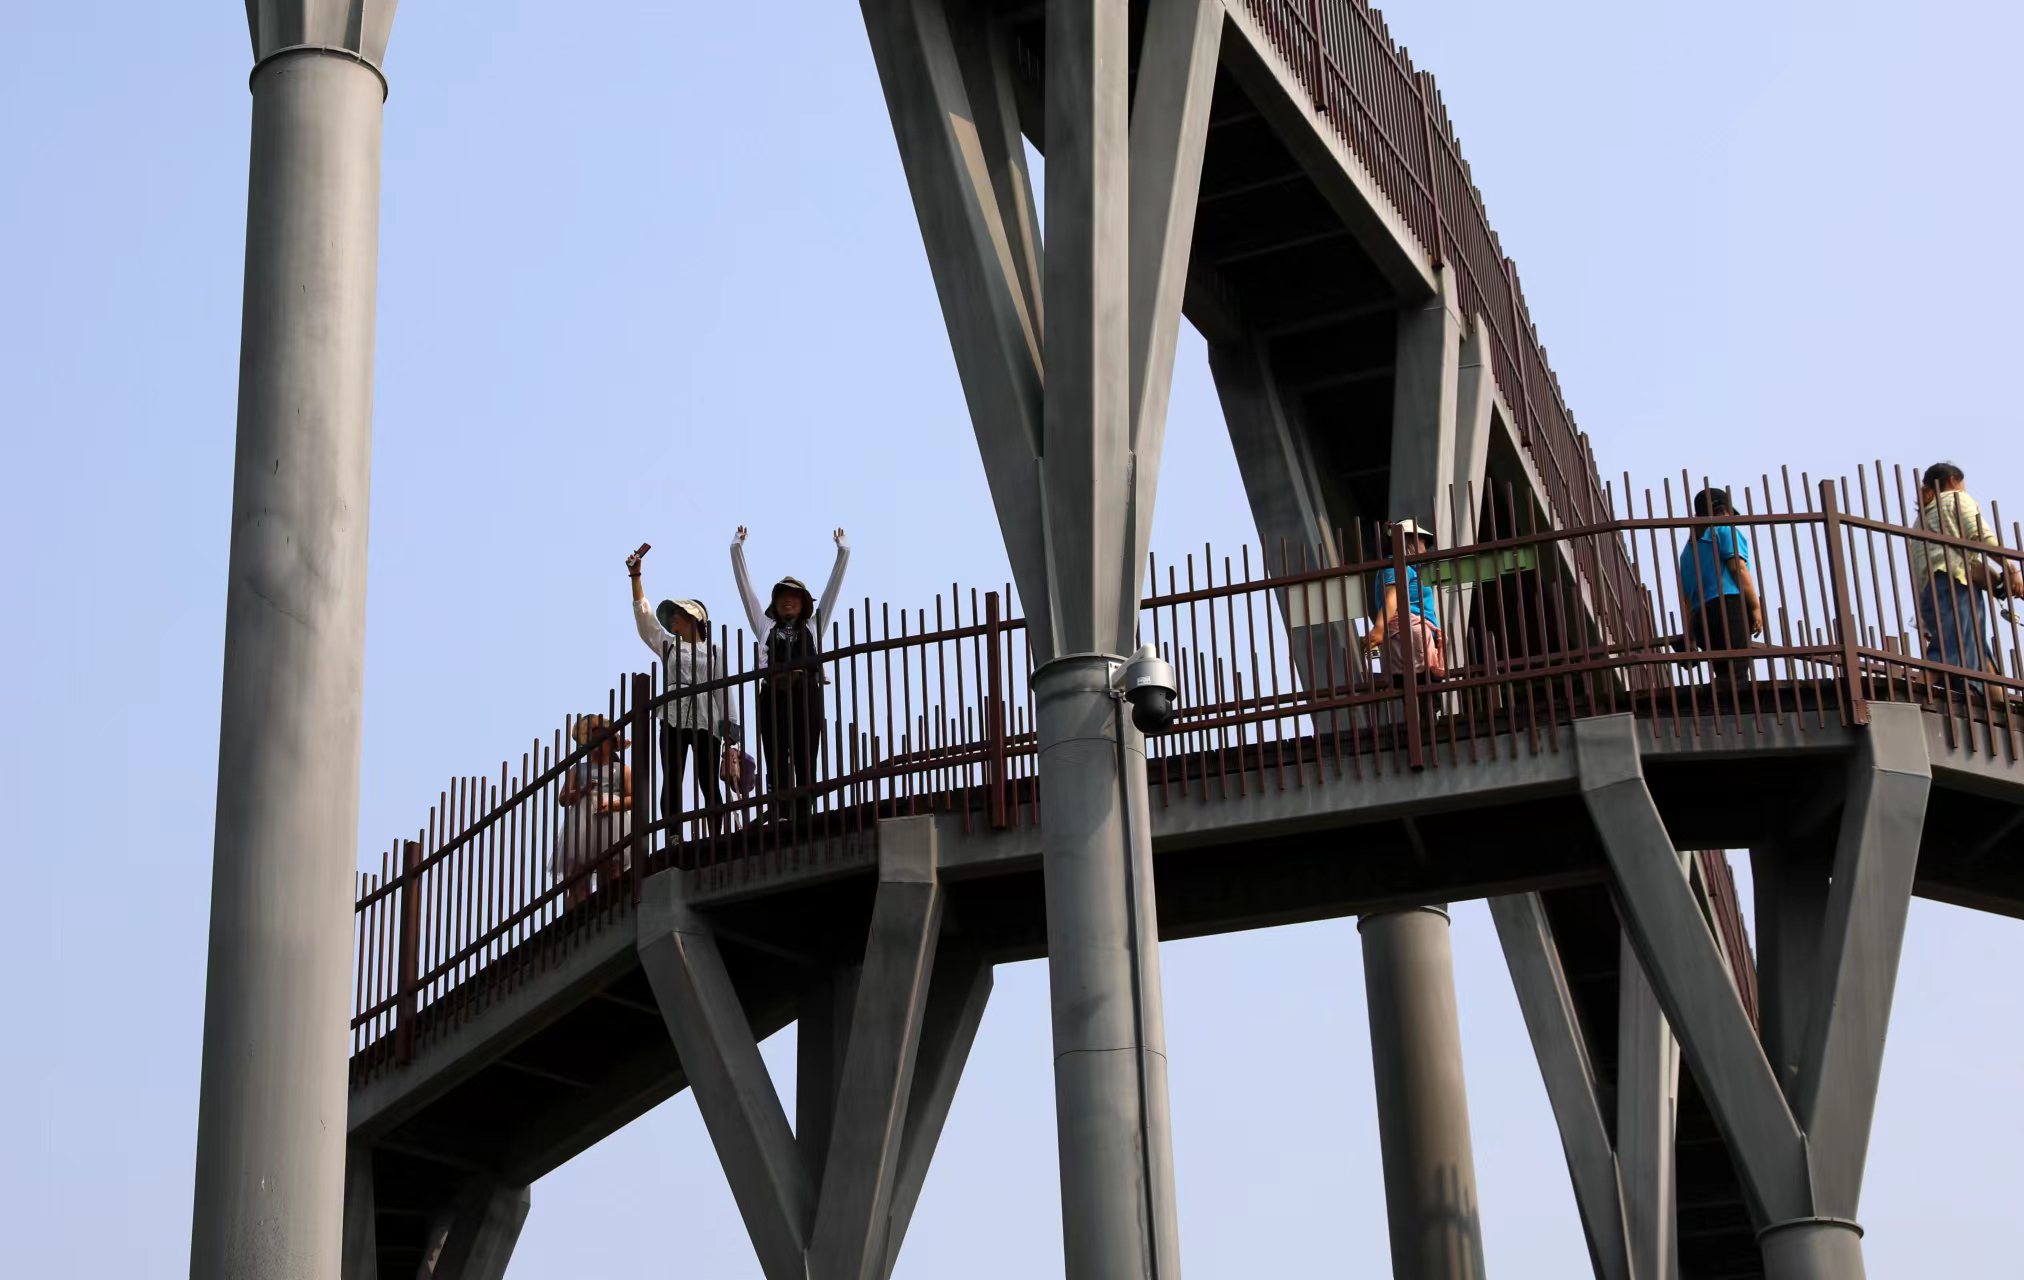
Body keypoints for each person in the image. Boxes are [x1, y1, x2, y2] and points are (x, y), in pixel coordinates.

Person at [731, 525, 851, 821]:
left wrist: (843, 551)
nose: (788, 600)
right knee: (775, 754)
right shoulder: (765, 626)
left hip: (805, 693)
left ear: (803, 603)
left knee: (805, 754)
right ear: (775, 602)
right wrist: (737, 548)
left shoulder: (813, 626)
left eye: (795, 596)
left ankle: (804, 811)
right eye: (783, 595)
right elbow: (746, 592)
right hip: (773, 695)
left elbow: (832, 591)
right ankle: (781, 811)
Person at [627, 547, 737, 837]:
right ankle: (674, 835)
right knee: (672, 779)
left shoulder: (714, 651)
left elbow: (723, 690)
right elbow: (645, 621)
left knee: (707, 780)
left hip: (706, 719)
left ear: (694, 618)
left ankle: (716, 835)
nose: (672, 618)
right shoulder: (669, 646)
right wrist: (636, 578)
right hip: (673, 716)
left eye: (678, 614)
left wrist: (730, 729)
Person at [1910, 461, 2021, 684]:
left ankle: (1999, 700)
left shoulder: (1921, 520)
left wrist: (1923, 617)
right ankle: (1917, 689)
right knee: (1949, 652)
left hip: (1931, 592)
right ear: (1954, 480)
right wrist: (2012, 569)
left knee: (1977, 654)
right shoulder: (1956, 499)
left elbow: (1926, 567)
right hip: (1955, 587)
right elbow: (1980, 536)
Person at [1675, 487, 1763, 692]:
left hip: (1701, 618)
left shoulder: (1687, 553)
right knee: (1738, 674)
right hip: (1729, 608)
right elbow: (1737, 568)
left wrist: (1690, 636)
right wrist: (1755, 606)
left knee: (1724, 674)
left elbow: (1687, 602)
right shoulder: (1724, 530)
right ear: (1724, 511)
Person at [555, 714, 631, 906]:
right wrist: (582, 791)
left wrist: (612, 805)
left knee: (611, 870)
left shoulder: (621, 769)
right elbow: (563, 798)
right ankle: (578, 913)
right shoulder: (578, 769)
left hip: (612, 821)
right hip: (582, 823)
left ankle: (610, 907)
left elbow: (633, 798)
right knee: (578, 875)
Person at [1362, 519, 1446, 680]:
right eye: (1423, 542)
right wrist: (1379, 628)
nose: (1425, 549)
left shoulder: (1411, 569)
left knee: (1421, 688)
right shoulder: (1396, 565)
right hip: (1410, 637)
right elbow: (1392, 597)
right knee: (1418, 687)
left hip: (1417, 638)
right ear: (1410, 541)